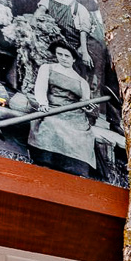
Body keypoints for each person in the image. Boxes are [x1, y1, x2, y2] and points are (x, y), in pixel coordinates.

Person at [28, 42, 97, 176]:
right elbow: (41, 87)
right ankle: (46, 160)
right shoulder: (47, 68)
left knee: (81, 134)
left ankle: (74, 167)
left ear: (74, 59)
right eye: (60, 54)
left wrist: (87, 106)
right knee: (52, 124)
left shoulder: (82, 81)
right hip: (52, 108)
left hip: (74, 114)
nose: (63, 58)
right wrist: (43, 104)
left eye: (67, 55)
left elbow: (84, 102)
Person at [35, 0, 93, 78]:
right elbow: (40, 11)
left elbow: (83, 32)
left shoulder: (79, 7)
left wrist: (84, 52)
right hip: (47, 38)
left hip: (67, 43)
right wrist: (35, 23)